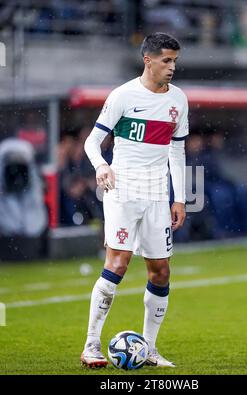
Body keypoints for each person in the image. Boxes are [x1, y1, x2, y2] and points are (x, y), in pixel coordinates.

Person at [81, 32, 189, 368]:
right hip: (123, 190)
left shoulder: (178, 100)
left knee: (160, 271)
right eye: (166, 60)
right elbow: (91, 142)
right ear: (148, 59)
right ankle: (91, 345)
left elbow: (177, 149)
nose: (172, 67)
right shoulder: (123, 96)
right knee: (118, 263)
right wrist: (101, 165)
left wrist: (180, 198)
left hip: (158, 195)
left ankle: (151, 349)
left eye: (175, 61)